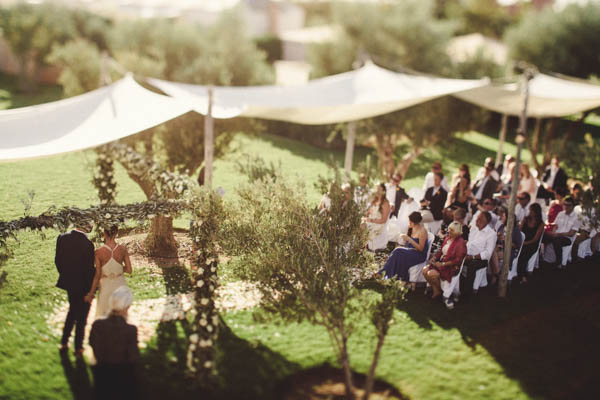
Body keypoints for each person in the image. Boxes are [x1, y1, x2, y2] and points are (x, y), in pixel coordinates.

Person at [90, 286, 139, 400]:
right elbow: (133, 356)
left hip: (101, 373)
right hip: (124, 375)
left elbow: (93, 345)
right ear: (127, 307)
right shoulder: (130, 329)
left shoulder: (97, 325)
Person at [55, 220, 96, 357]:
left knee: (72, 311)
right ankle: (78, 347)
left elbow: (58, 261)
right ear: (87, 227)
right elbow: (89, 270)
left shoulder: (62, 238)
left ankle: (64, 342)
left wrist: (66, 275)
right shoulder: (88, 245)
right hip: (83, 286)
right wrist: (91, 291)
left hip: (69, 283)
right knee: (82, 317)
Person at [85, 226, 132, 318]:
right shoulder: (123, 249)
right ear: (116, 233)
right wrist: (117, 270)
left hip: (106, 285)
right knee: (120, 312)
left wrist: (91, 293)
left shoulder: (98, 252)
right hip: (120, 283)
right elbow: (129, 270)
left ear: (104, 234)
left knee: (103, 314)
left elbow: (97, 274)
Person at [422, 222, 467, 306]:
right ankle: (436, 291)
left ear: (457, 232)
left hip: (450, 266)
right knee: (424, 270)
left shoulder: (461, 243)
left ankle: (441, 291)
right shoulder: (447, 238)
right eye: (449, 230)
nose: (448, 232)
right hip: (441, 262)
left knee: (431, 273)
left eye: (451, 231)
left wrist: (443, 264)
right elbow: (441, 251)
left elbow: (457, 261)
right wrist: (434, 258)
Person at [379, 211, 428, 285]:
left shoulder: (422, 231)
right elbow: (406, 244)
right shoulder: (411, 228)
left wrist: (409, 239)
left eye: (410, 221)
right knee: (398, 251)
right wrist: (404, 239)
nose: (409, 223)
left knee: (398, 251)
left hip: (419, 255)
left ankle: (385, 273)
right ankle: (389, 275)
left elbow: (421, 249)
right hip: (411, 251)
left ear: (415, 222)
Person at [460, 212, 497, 299]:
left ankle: (467, 294)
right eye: (477, 218)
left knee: (471, 266)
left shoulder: (491, 234)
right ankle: (457, 287)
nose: (477, 221)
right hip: (468, 255)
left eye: (480, 219)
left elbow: (488, 253)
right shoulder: (474, 229)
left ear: (486, 222)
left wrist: (472, 257)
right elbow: (469, 244)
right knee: (455, 261)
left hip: (480, 259)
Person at [542, 196, 580, 268]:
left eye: (568, 205)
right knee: (543, 236)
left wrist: (557, 234)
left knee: (557, 240)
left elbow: (571, 234)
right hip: (557, 235)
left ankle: (559, 262)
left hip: (566, 238)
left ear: (573, 206)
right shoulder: (561, 214)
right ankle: (539, 258)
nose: (566, 207)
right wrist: (553, 232)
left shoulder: (576, 218)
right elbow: (555, 225)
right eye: (564, 204)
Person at [490, 206, 523, 285]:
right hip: (500, 248)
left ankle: (495, 275)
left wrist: (507, 241)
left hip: (509, 251)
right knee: (490, 251)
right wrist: (497, 236)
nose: (502, 217)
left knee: (492, 254)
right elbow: (497, 241)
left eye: (504, 216)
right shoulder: (502, 227)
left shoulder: (515, 230)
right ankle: (497, 272)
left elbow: (517, 245)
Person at [516, 203, 545, 284]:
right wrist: (520, 241)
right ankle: (521, 275)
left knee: (523, 255)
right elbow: (519, 231)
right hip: (522, 241)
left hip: (531, 244)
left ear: (536, 212)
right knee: (518, 253)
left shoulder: (541, 223)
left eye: (531, 210)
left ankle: (522, 276)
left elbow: (536, 239)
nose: (530, 212)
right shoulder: (525, 219)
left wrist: (525, 243)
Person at [365, 183, 391, 250]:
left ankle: (362, 246)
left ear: (383, 192)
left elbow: (384, 220)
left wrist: (370, 220)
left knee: (362, 226)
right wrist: (366, 216)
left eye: (379, 189)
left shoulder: (385, 203)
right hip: (370, 221)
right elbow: (368, 212)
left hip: (378, 224)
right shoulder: (374, 200)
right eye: (377, 189)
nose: (377, 191)